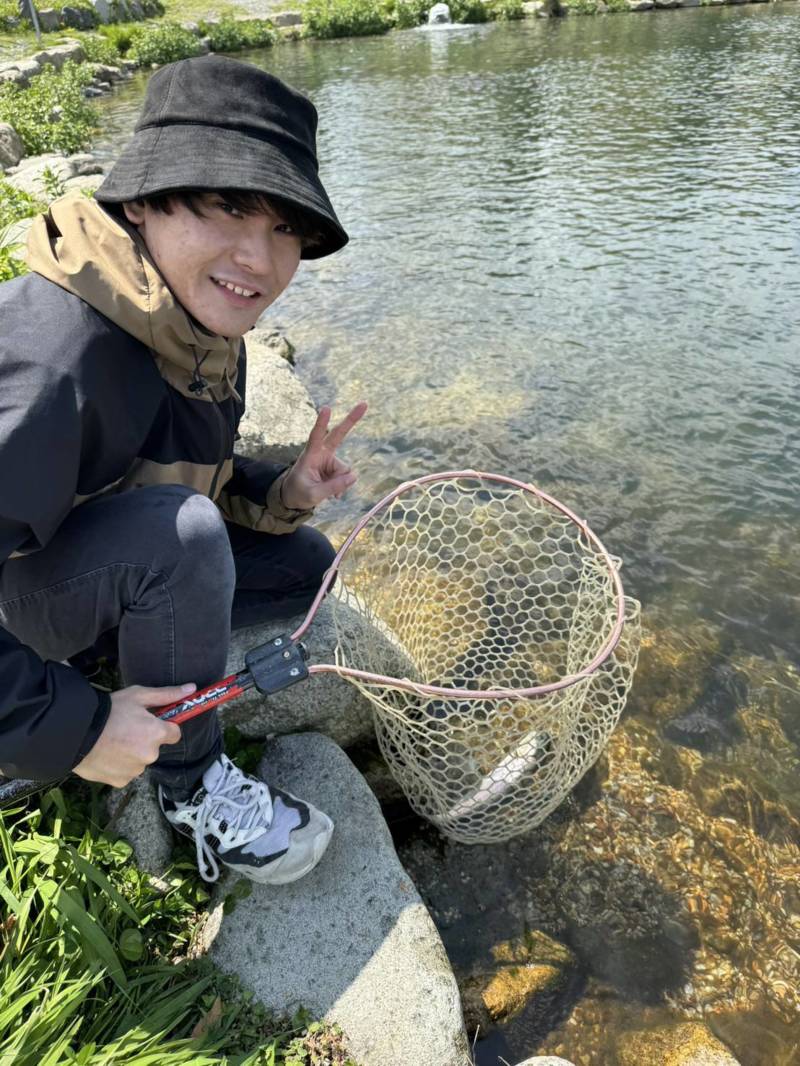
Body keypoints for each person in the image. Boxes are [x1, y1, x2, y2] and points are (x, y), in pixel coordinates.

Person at [0, 54, 366, 885]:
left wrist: (288, 493)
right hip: (14, 597)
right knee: (185, 539)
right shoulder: (56, 360)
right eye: (230, 208)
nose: (260, 259)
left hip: (78, 557)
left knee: (305, 564)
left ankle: (126, 650)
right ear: (142, 201)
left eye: (285, 230)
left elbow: (179, 468)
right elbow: (172, 517)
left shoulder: (193, 329)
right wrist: (77, 728)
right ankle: (189, 783)